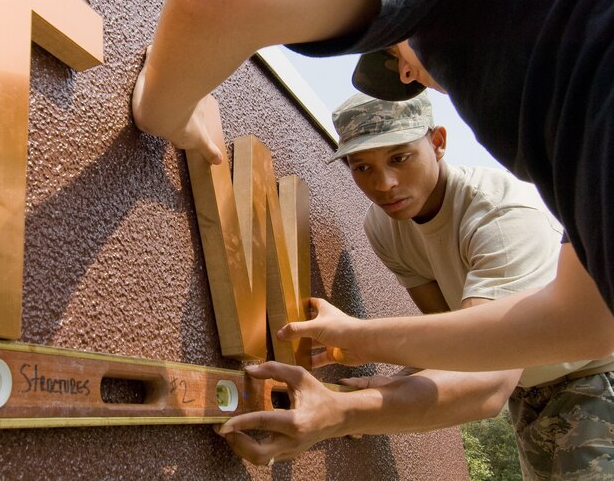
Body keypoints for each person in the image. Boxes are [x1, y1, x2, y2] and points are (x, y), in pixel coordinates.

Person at [132, 0, 614, 375]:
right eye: (362, 166)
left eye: (396, 50)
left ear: (438, 143)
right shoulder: (543, 101)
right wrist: (369, 379)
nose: (407, 75)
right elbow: (585, 320)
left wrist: (165, 113)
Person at [216, 93, 614, 476]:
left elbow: (487, 379)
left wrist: (349, 395)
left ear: (438, 142)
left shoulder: (500, 218)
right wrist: (395, 385)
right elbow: (450, 336)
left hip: (593, 379)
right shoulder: (385, 226)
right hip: (528, 392)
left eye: (399, 157)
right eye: (361, 167)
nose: (384, 183)